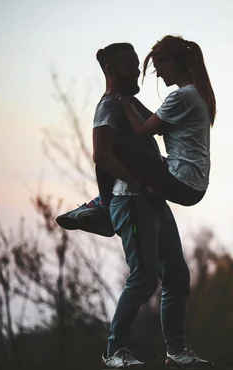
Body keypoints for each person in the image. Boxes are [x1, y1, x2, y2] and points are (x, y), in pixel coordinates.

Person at [79, 40, 213, 370]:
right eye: (131, 65)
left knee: (177, 277)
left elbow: (150, 129)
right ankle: (114, 352)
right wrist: (135, 183)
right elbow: (102, 155)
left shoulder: (131, 103)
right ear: (111, 70)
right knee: (143, 278)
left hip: (152, 198)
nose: (139, 70)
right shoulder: (109, 106)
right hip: (132, 200)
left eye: (140, 64)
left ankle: (176, 352)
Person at [56, 34, 215, 236]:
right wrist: (130, 101)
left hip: (182, 181)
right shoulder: (194, 94)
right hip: (194, 183)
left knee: (115, 150)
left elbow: (143, 130)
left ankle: (104, 208)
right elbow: (156, 123)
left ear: (172, 63)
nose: (157, 75)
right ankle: (100, 203)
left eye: (158, 67)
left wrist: (123, 101)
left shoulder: (181, 96)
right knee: (142, 155)